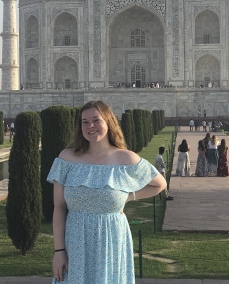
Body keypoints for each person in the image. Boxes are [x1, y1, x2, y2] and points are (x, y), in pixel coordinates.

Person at [47, 100, 166, 283]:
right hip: (76, 243)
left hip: (111, 242)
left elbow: (159, 184)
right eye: (84, 122)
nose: (90, 126)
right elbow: (59, 207)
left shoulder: (124, 158)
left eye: (96, 120)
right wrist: (59, 251)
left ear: (109, 122)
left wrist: (128, 196)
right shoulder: (67, 158)